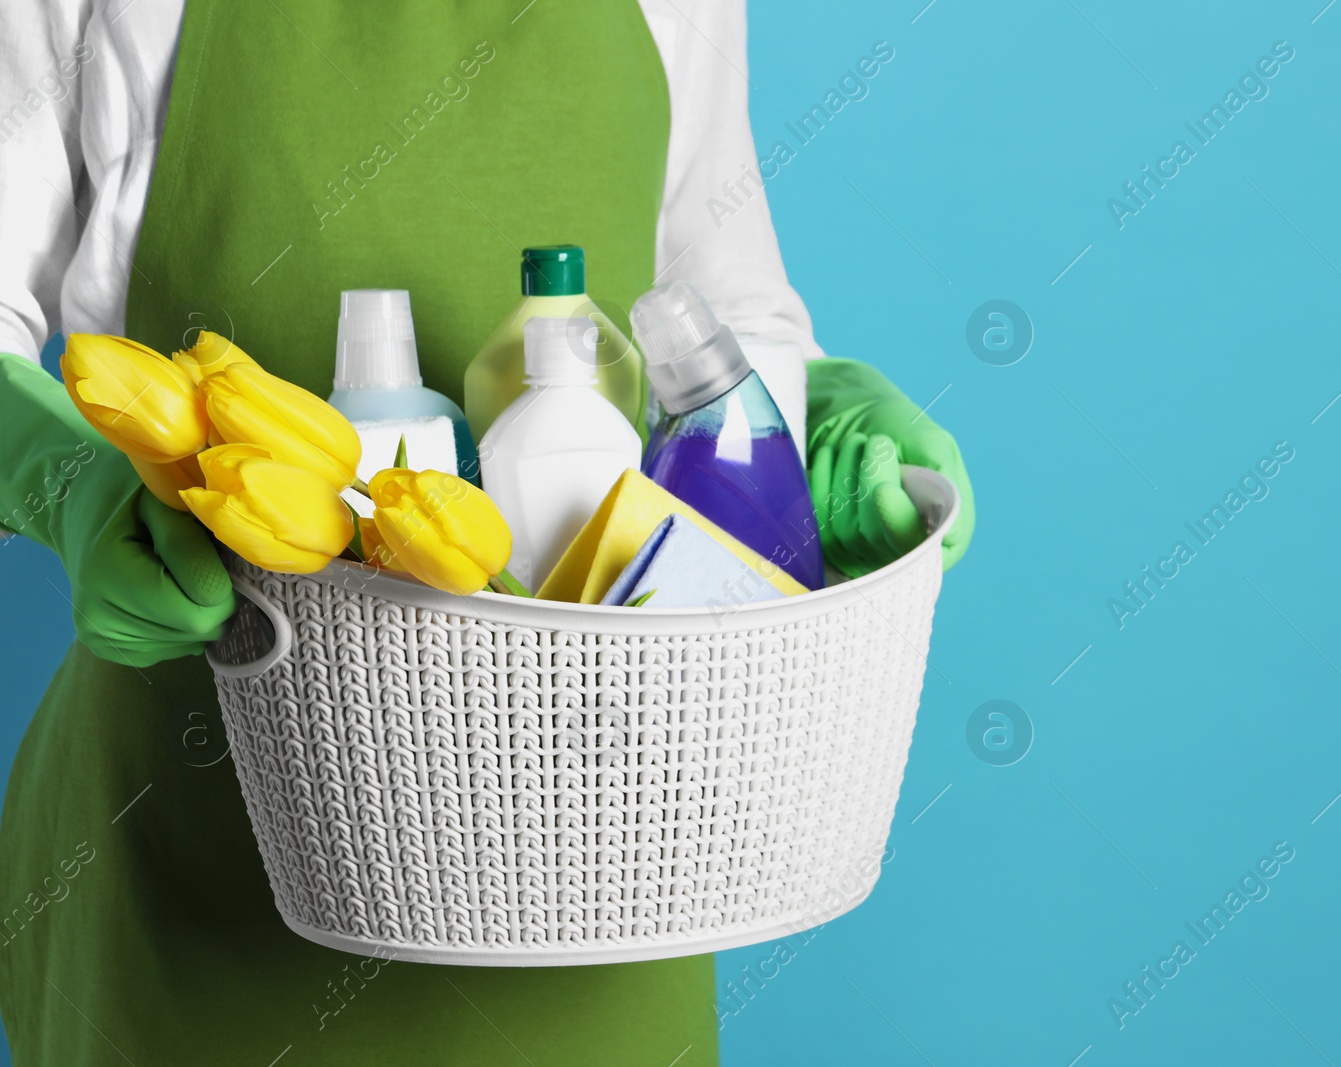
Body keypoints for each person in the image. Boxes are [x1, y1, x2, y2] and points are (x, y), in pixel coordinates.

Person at [0, 0, 974, 1062]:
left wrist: (820, 423)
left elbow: (721, 307)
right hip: (193, 838)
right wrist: (60, 482)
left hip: (602, 847)